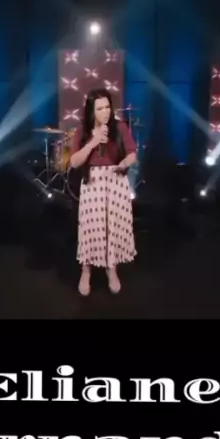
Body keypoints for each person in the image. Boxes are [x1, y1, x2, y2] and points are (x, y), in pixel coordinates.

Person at [69, 88, 137, 296]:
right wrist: (93, 141)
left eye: (107, 107)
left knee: (112, 226)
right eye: (100, 109)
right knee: (91, 227)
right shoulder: (82, 131)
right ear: (91, 111)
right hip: (93, 183)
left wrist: (124, 163)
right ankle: (86, 270)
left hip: (116, 181)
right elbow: (74, 162)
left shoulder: (120, 127)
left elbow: (133, 154)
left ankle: (111, 269)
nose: (105, 112)